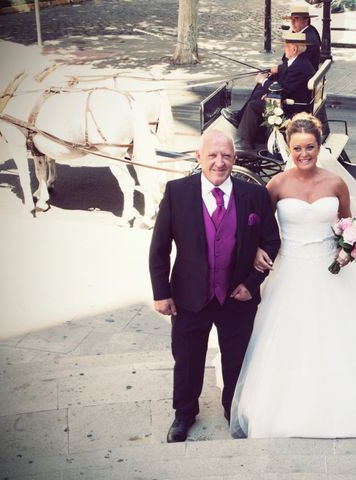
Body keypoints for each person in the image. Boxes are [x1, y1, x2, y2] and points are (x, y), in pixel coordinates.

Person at [229, 113, 356, 439]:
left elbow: (348, 224)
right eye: (297, 148)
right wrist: (258, 249)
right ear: (288, 148)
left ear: (319, 146)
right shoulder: (277, 184)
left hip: (331, 273)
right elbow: (259, 226)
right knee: (289, 339)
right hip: (290, 272)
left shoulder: (335, 183)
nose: (304, 154)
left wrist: (351, 247)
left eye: (310, 147)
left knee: (339, 337)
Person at [148, 129, 281, 442]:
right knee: (187, 358)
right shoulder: (177, 192)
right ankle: (184, 415)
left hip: (238, 296)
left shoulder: (254, 195)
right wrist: (161, 293)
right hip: (189, 296)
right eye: (212, 155)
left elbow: (271, 240)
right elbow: (159, 247)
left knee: (237, 358)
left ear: (234, 159)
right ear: (199, 157)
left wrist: (252, 282)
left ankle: (232, 409)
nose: (219, 163)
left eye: (226, 156)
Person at [222, 31, 315, 151]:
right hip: (289, 98)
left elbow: (283, 89)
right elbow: (286, 68)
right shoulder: (300, 60)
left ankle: (245, 142)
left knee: (254, 105)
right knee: (260, 88)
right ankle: (240, 118)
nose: (283, 48)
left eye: (286, 46)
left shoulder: (299, 67)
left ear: (294, 50)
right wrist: (271, 74)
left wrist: (264, 82)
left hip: (289, 107)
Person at [282, 5, 321, 69]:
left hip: (302, 77)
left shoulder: (305, 39)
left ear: (306, 21)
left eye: (296, 19)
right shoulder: (311, 29)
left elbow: (294, 66)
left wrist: (278, 69)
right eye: (291, 19)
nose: (292, 23)